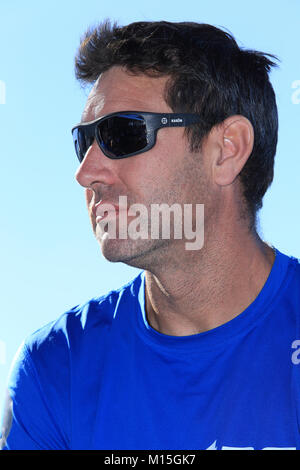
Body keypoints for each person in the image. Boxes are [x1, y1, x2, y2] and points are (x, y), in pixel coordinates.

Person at [1, 19, 300, 451]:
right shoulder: (55, 368)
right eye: (83, 142)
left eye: (123, 133)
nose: (85, 172)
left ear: (227, 149)